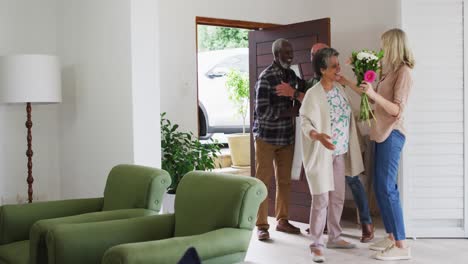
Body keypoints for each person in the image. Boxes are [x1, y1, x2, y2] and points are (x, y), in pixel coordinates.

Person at [340, 28, 414, 260]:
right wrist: (347, 82)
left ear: (393, 45)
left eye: (384, 45)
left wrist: (373, 96)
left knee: (387, 188)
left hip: (392, 134)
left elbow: (397, 110)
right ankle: (392, 237)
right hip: (380, 134)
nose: (381, 49)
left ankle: (401, 246)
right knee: (380, 188)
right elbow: (368, 96)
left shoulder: (404, 73)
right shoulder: (387, 73)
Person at [305, 43, 375, 243]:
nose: (338, 69)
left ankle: (334, 237)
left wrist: (346, 81)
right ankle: (316, 243)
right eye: (334, 66)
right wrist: (316, 135)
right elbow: (306, 121)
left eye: (338, 64)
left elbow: (358, 106)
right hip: (322, 153)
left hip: (340, 151)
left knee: (337, 198)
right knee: (321, 199)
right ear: (322, 69)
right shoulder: (314, 94)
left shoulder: (339, 89)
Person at [253, 38, 306, 241]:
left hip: (286, 138)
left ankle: (282, 221)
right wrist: (289, 111)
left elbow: (306, 91)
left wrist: (297, 94)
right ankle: (261, 225)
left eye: (291, 51)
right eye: (286, 52)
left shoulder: (291, 75)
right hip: (266, 137)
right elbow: (262, 111)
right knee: (263, 183)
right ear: (276, 55)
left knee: (284, 181)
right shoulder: (265, 78)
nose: (290, 55)